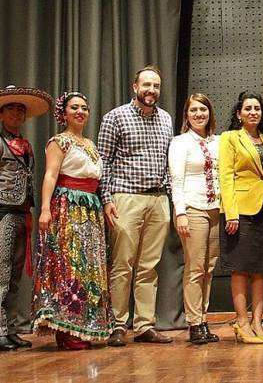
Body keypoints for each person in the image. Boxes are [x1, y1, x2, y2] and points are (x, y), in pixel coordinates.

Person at [97, 65, 175, 346]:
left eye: (156, 86)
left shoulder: (166, 119)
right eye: (146, 85)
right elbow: (102, 162)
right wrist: (106, 199)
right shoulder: (115, 117)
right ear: (135, 87)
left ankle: (144, 325)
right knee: (122, 265)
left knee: (149, 266)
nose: (151, 90)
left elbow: (167, 162)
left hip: (158, 200)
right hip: (126, 197)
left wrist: (168, 197)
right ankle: (118, 324)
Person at [0, 85, 53, 352]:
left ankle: (12, 328)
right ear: (1, 114)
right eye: (11, 109)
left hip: (21, 213)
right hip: (2, 213)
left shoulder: (26, 146)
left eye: (20, 110)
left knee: (15, 274)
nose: (16, 114)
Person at [32, 91, 114, 350]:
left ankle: (87, 326)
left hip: (91, 209)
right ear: (64, 113)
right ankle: (67, 328)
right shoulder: (59, 142)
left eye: (84, 108)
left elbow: (98, 180)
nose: (80, 111)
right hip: (68, 206)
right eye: (74, 107)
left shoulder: (90, 144)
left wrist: (107, 204)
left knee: (90, 266)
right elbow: (50, 175)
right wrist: (45, 209)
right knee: (70, 266)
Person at [219, 91, 263, 344]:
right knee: (240, 268)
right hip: (240, 211)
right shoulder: (230, 138)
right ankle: (241, 322)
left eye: (257, 108)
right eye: (248, 108)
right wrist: (230, 213)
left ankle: (257, 322)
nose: (253, 112)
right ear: (238, 113)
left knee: (261, 269)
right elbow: (225, 176)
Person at [168, 93, 221, 345]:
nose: (199, 114)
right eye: (193, 110)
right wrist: (180, 212)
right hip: (193, 207)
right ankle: (193, 323)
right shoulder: (180, 142)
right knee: (195, 267)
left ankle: (203, 318)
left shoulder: (218, 142)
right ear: (186, 115)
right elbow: (176, 180)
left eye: (203, 109)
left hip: (216, 209)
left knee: (209, 268)